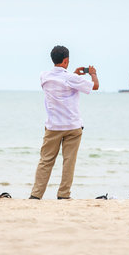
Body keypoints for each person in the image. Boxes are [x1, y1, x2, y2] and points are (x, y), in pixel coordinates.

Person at [30, 45, 99, 200]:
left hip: (53, 126)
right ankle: (63, 194)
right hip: (72, 126)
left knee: (45, 161)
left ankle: (36, 194)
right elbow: (95, 86)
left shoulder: (44, 76)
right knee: (69, 162)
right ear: (66, 60)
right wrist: (92, 74)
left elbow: (62, 82)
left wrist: (74, 73)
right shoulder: (72, 79)